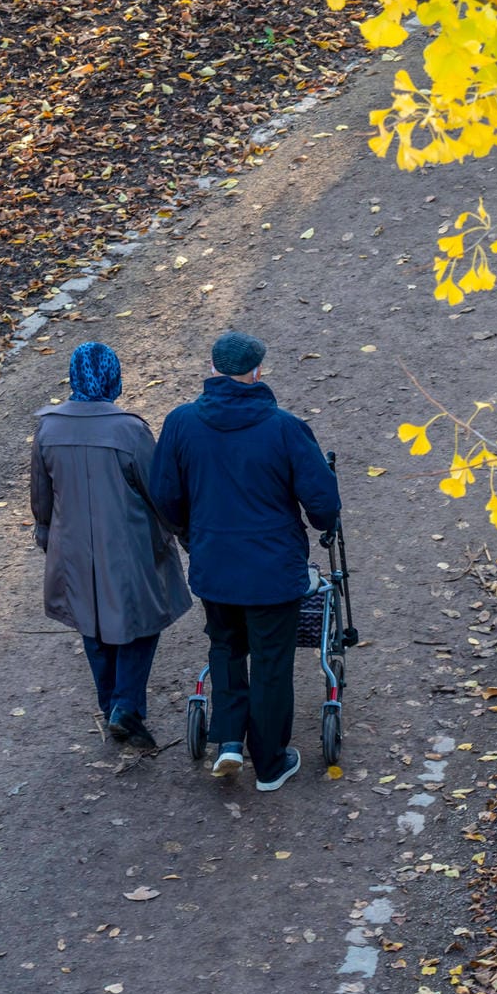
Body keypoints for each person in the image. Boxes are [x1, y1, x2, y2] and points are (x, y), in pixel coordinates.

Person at [150, 331, 342, 793]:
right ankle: (271, 763)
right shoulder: (284, 427)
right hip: (273, 570)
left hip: (214, 565)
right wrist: (322, 524)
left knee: (226, 648)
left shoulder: (181, 423)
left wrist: (191, 535)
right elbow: (321, 498)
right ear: (256, 372)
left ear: (213, 369)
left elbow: (163, 494)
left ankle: (229, 742)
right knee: (272, 661)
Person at [30, 342, 192, 749]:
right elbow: (158, 491)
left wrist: (47, 535)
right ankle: (125, 706)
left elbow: (41, 496)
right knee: (143, 620)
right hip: (128, 543)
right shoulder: (129, 430)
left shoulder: (48, 428)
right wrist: (181, 532)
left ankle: (110, 705)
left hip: (72, 547)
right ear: (112, 376)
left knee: (91, 622)